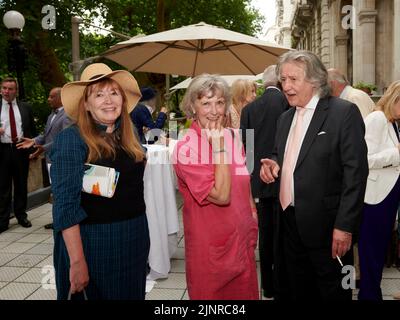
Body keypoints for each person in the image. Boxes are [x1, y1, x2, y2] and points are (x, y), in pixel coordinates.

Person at [260, 50, 368, 300]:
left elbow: (356, 174)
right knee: (296, 289)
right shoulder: (285, 118)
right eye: (283, 80)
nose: (286, 86)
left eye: (293, 79)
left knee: (335, 291)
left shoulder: (344, 113)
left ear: (315, 80)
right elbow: (282, 154)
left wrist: (344, 226)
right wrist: (273, 166)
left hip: (328, 229)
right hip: (288, 223)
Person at [49, 63, 149, 300]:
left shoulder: (129, 136)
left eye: (114, 93)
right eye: (99, 94)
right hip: (94, 243)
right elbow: (65, 208)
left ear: (123, 100)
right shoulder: (71, 140)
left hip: (134, 237)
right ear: (86, 103)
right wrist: (77, 262)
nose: (108, 100)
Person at [173, 74, 259, 300]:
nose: (214, 110)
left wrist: (252, 215)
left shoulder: (232, 135)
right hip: (212, 247)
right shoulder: (186, 148)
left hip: (241, 240)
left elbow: (244, 178)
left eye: (220, 102)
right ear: (193, 106)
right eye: (206, 103)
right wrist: (219, 148)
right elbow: (221, 196)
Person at [240, 65, 289, 299]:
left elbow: (246, 149)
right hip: (284, 179)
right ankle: (281, 285)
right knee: (285, 234)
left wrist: (251, 179)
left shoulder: (249, 109)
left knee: (266, 234)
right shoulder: (288, 105)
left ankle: (267, 286)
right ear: (280, 83)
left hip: (259, 179)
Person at [358, 80, 400, 300]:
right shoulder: (377, 119)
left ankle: (373, 293)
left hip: (388, 196)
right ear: (395, 99)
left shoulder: (392, 122)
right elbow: (365, 160)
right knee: (371, 253)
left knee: (378, 252)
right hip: (375, 199)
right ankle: (369, 295)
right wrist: (396, 153)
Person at [17, 87, 71, 230]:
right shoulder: (51, 115)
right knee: (56, 192)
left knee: (61, 192)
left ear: (61, 98)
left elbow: (64, 138)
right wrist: (34, 141)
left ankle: (62, 220)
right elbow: (46, 135)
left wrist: (44, 148)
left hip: (60, 160)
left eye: (51, 96)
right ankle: (57, 220)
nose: (48, 99)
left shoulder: (67, 115)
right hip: (49, 159)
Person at [0, 77, 37, 233]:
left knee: (21, 184)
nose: (7, 91)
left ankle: (21, 215)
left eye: (10, 89)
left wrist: (34, 149)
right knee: (3, 187)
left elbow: (32, 131)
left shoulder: (25, 107)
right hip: (2, 151)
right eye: (4, 88)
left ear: (16, 91)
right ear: (0, 89)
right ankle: (3, 220)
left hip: (21, 149)